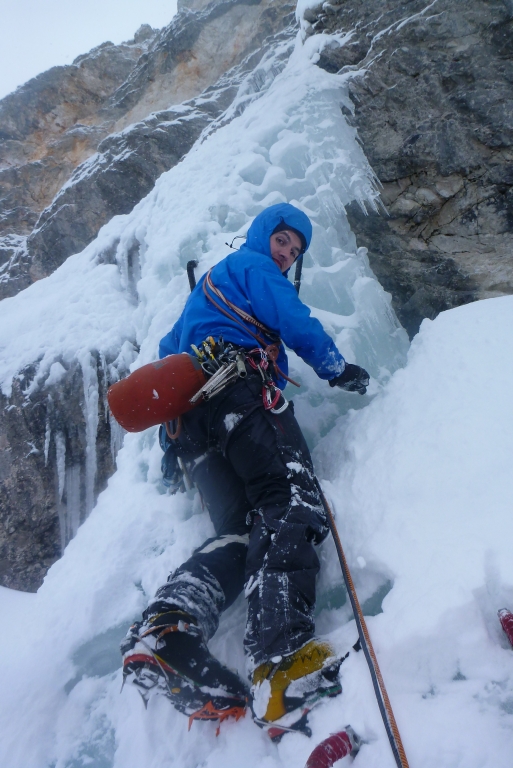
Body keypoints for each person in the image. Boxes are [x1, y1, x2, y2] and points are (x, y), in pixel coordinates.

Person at [121, 203, 370, 737]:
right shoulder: (255, 267)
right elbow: (291, 317)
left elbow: (169, 355)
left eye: (295, 251)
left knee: (240, 531)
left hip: (194, 428)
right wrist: (336, 366)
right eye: (283, 240)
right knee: (288, 501)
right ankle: (280, 660)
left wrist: (172, 447)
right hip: (241, 397)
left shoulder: (207, 287)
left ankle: (170, 629)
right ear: (262, 236)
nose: (287, 254)